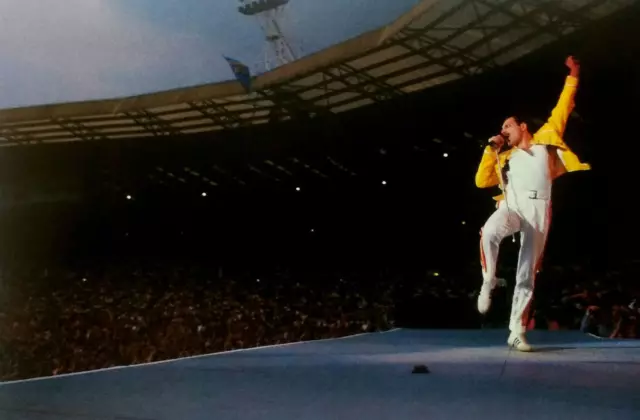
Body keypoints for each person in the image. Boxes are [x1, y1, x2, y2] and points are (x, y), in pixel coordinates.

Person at [474, 56, 591, 351]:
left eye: (508, 126)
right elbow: (481, 181)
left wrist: (573, 75)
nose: (504, 130)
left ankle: (516, 330)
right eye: (502, 128)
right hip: (512, 207)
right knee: (488, 232)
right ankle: (488, 281)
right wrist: (491, 150)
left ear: (523, 127)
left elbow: (563, 106)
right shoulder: (505, 156)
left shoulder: (546, 139)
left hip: (539, 210)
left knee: (526, 274)